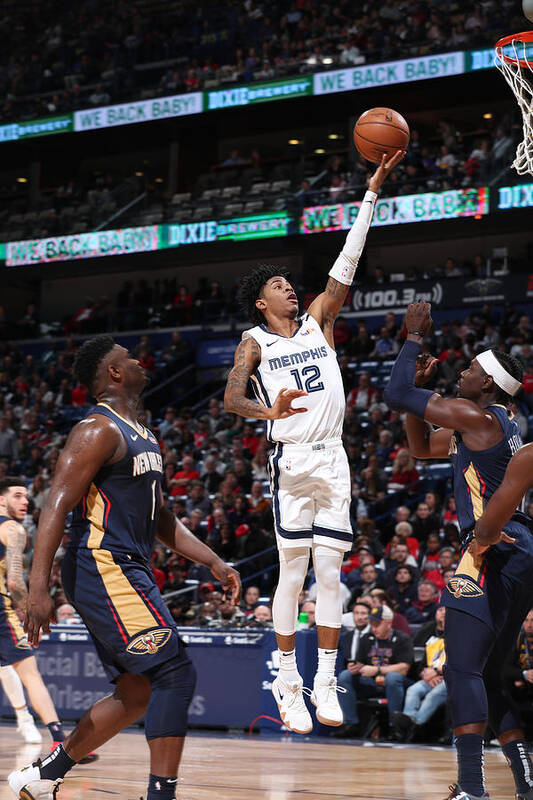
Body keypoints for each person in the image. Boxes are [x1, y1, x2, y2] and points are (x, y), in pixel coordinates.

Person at [9, 336, 241, 800]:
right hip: (103, 564)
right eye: (128, 358)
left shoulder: (144, 433)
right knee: (175, 674)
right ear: (114, 373)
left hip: (127, 566)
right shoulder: (98, 429)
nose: (139, 361)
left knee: (137, 692)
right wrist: (39, 587)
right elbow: (55, 504)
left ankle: (43, 774)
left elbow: (161, 518)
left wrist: (212, 560)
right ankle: (160, 794)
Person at [224, 151, 404, 734]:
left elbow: (345, 265)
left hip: (334, 456)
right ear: (261, 301)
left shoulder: (320, 320)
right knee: (291, 572)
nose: (290, 289)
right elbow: (231, 400)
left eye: (289, 283)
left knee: (332, 574)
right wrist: (265, 408)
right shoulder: (253, 341)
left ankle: (325, 676)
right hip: (293, 460)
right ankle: (286, 677)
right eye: (278, 286)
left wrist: (371, 194)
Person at [383, 300, 532, 800]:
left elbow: (395, 391)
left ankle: (473, 788)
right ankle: (526, 784)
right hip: (521, 549)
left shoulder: (476, 416)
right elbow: (421, 448)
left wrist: (412, 338)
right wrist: (415, 401)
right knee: (489, 674)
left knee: (461, 668)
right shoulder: (497, 425)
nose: (462, 371)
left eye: (470, 368)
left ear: (487, 383)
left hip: (494, 546)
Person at [0, 478, 70, 749]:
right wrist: (30, 610)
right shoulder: (13, 530)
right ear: (2, 500)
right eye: (18, 496)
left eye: (27, 497)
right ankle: (58, 740)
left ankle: (28, 721)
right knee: (30, 674)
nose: (25, 501)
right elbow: (15, 582)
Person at [336, 605, 413, 737]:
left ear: (388, 623)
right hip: (371, 681)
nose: (374, 628)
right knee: (345, 676)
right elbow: (361, 663)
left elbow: (404, 668)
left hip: (396, 682)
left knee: (393, 678)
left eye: (377, 624)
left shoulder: (402, 639)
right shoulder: (367, 638)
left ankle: (395, 726)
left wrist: (377, 670)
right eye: (372, 624)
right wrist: (355, 667)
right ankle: (351, 723)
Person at [392, 605, 447, 741]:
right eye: (440, 610)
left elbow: (460, 662)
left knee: (433, 695)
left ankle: (413, 726)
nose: (444, 613)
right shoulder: (428, 631)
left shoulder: (461, 636)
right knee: (413, 690)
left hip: (450, 678)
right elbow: (420, 662)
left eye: (448, 611)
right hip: (429, 676)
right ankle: (409, 722)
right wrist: (425, 675)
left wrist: (436, 672)